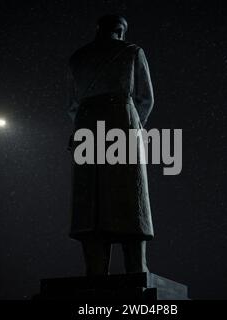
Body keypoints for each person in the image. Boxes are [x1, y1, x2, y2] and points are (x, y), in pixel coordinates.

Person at [67, 15, 155, 276]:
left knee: (91, 201)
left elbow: (72, 104)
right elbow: (146, 98)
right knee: (130, 195)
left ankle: (94, 269)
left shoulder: (77, 57)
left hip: (86, 125)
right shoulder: (132, 51)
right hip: (121, 120)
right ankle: (137, 268)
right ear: (120, 30)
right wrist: (135, 123)